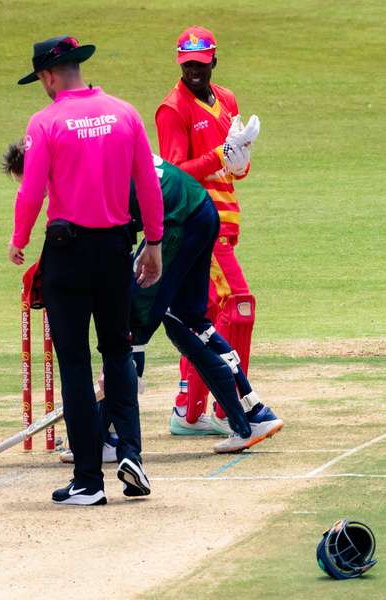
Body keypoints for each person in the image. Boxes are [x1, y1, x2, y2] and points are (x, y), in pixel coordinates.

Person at [3, 144, 283, 455]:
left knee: (129, 329)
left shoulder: (81, 179)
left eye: (34, 185)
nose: (38, 194)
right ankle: (252, 413)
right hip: (198, 209)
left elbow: (110, 243)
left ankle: (106, 438)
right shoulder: (85, 155)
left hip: (175, 220)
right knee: (186, 320)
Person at [9, 35, 164, 506]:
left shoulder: (46, 121)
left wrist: (18, 240)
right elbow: (148, 184)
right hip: (117, 251)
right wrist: (153, 244)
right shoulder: (125, 113)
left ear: (49, 75)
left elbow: (31, 192)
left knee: (75, 365)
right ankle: (132, 453)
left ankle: (87, 479)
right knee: (118, 352)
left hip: (69, 254)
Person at [155, 25, 262, 435]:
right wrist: (221, 155)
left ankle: (190, 408)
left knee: (208, 313)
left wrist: (239, 161)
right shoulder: (173, 108)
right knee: (239, 306)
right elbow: (174, 173)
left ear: (213, 60)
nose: (195, 72)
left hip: (227, 219)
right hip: (199, 222)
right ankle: (228, 406)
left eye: (201, 64)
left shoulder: (228, 99)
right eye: (188, 65)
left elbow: (238, 169)